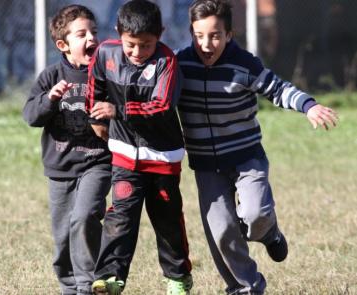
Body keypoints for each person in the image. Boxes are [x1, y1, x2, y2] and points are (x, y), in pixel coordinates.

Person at [176, 0, 338, 294]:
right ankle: (245, 288)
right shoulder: (181, 64)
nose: (206, 43)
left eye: (214, 35)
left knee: (256, 214)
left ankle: (270, 232)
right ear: (191, 33)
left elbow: (278, 89)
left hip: (246, 157)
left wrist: (308, 106)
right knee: (222, 231)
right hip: (206, 165)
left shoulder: (244, 64)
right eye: (199, 35)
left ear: (229, 35)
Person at [85, 1, 193, 294]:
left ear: (160, 35)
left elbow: (161, 106)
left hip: (161, 157)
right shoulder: (105, 53)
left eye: (145, 45)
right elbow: (95, 86)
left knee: (167, 220)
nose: (136, 52)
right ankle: (110, 278)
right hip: (124, 155)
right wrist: (93, 113)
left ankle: (178, 277)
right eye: (130, 44)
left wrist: (116, 110)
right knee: (120, 217)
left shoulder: (166, 62)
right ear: (118, 33)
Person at [22, 5, 112, 295]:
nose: (91, 39)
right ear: (63, 45)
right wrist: (49, 100)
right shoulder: (51, 76)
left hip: (97, 161)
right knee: (62, 234)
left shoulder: (105, 74)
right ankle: (69, 286)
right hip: (60, 167)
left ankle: (88, 285)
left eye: (94, 32)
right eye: (81, 34)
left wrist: (112, 112)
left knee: (84, 217)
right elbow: (31, 116)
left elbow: (122, 112)